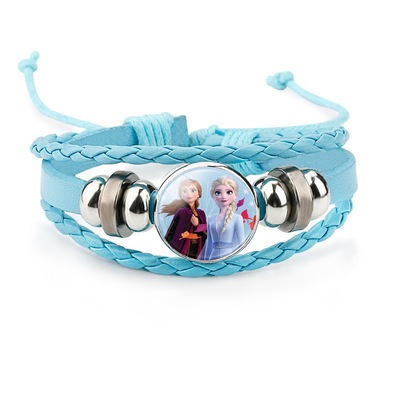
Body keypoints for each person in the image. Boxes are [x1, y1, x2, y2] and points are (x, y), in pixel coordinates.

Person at [199, 176, 245, 260]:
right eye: (218, 193)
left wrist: (240, 261)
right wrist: (205, 260)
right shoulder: (211, 218)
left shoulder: (237, 218)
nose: (223, 196)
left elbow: (241, 243)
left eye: (229, 192)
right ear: (213, 196)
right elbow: (209, 242)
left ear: (235, 195)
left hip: (229, 257)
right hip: (212, 257)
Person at [161, 179, 207, 259]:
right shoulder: (181, 212)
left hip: (197, 250)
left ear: (199, 194)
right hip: (181, 249)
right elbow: (171, 231)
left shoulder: (201, 213)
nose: (189, 194)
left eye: (193, 190)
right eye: (184, 191)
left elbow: (206, 235)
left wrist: (197, 225)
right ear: (181, 195)